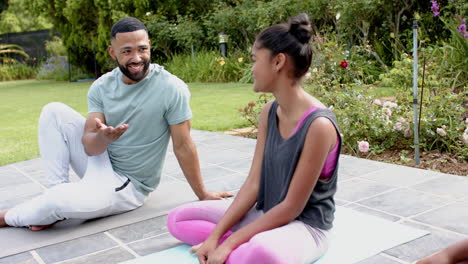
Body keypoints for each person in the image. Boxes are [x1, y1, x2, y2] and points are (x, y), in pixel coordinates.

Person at [0, 17, 231, 231]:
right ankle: (54, 199)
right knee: (53, 112)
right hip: (99, 161)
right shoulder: (101, 87)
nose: (137, 58)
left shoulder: (171, 88)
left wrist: (202, 193)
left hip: (128, 184)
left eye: (142, 49)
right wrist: (103, 137)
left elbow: (183, 145)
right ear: (113, 52)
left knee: (57, 201)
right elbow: (90, 148)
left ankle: (12, 216)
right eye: (127, 51)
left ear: (150, 45)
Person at [166, 13, 341, 264]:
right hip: (264, 213)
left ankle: (244, 247)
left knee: (262, 252)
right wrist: (215, 238)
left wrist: (229, 242)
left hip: (305, 227)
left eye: (255, 59)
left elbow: (292, 207)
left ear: (278, 61)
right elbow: (253, 184)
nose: (252, 68)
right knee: (178, 219)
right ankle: (239, 249)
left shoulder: (319, 126)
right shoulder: (269, 112)